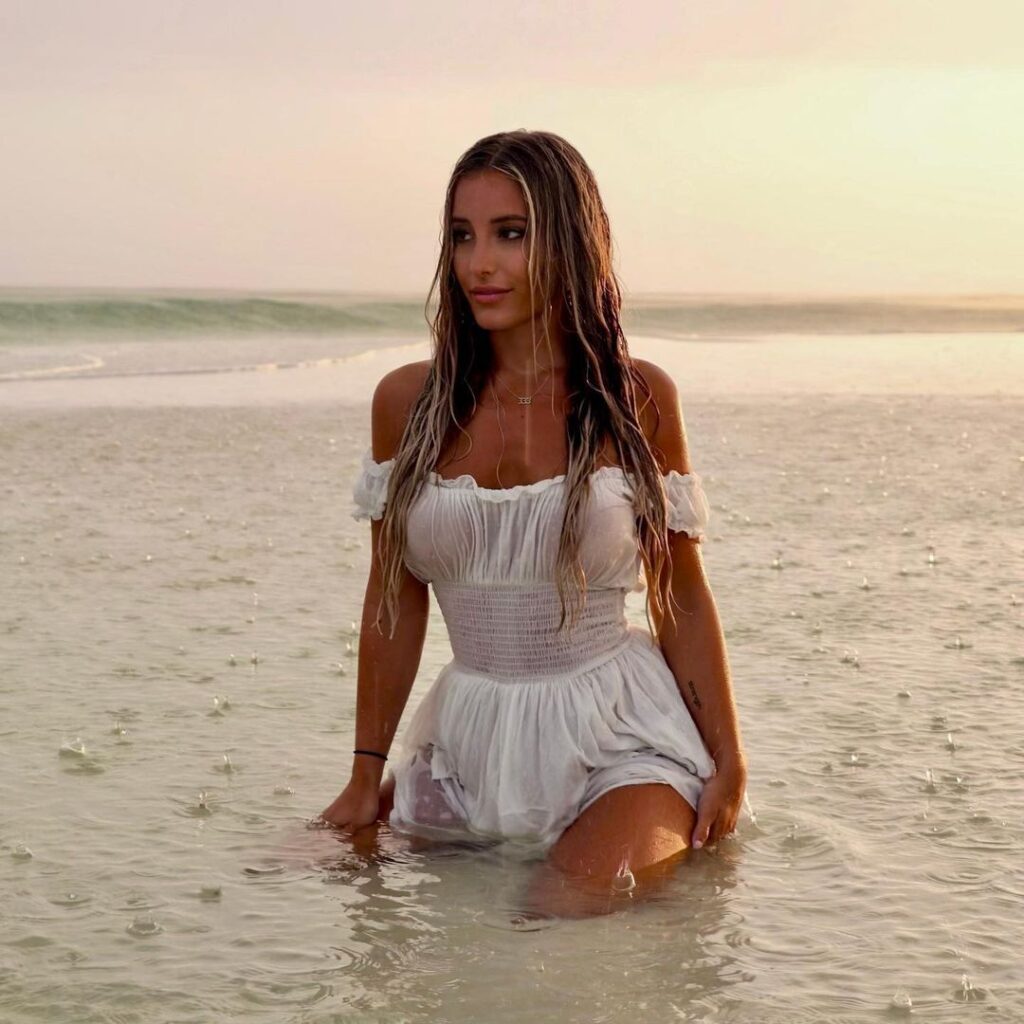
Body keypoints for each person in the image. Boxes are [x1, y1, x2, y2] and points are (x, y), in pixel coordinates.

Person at [319, 130, 748, 917]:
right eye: (462, 236)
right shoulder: (405, 404)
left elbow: (678, 588)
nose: (480, 263)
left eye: (510, 234)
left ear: (569, 240)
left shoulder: (637, 397)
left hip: (624, 740)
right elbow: (392, 599)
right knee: (298, 880)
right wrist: (362, 773)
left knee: (553, 919)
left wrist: (728, 758)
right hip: (470, 741)